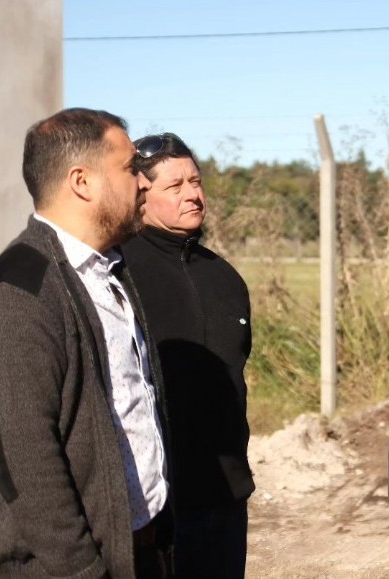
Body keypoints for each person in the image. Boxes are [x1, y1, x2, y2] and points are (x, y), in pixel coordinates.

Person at [0, 108, 173, 577]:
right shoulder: (19, 289)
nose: (144, 183)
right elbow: (25, 460)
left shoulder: (108, 272)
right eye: (129, 169)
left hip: (141, 546)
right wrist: (82, 570)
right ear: (82, 182)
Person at [122, 133, 255, 578]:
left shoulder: (225, 277)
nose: (193, 195)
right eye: (175, 186)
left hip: (226, 495)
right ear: (141, 195)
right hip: (154, 505)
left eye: (195, 181)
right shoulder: (118, 275)